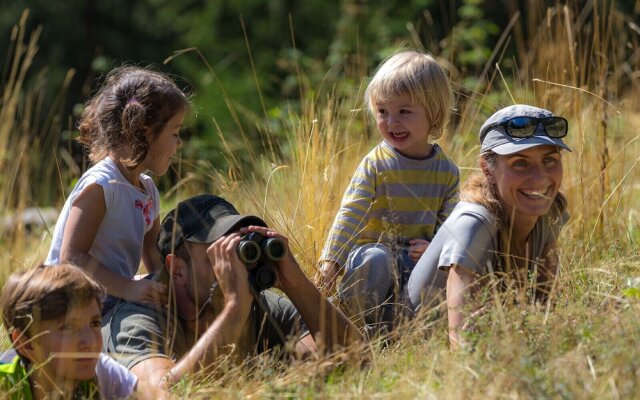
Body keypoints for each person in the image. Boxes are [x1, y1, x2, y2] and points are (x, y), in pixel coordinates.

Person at [102, 194, 366, 388]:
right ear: (177, 269)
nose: (233, 267)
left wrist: (295, 283)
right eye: (217, 257)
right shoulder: (138, 317)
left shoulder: (258, 304)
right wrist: (234, 309)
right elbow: (159, 393)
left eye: (236, 251)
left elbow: (357, 358)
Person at [407, 104, 571, 349]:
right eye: (520, 163)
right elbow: (461, 345)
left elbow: (545, 312)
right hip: (415, 350)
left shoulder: (550, 210)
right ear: (488, 170)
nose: (540, 178)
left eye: (549, 160)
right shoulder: (474, 222)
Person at [317, 50, 459, 329]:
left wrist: (434, 249)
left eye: (404, 112)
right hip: (370, 263)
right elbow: (352, 212)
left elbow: (449, 226)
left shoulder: (446, 171)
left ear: (433, 113)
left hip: (413, 267)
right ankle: (352, 322)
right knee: (377, 259)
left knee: (439, 271)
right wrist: (331, 263)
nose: (391, 122)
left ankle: (397, 328)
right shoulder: (376, 163)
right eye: (383, 111)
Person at [46, 65, 189, 314]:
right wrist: (128, 289)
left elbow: (152, 253)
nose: (180, 142)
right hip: (68, 305)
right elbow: (71, 257)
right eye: (175, 133)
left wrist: (169, 286)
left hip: (111, 298)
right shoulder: (102, 185)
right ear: (146, 132)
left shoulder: (147, 189)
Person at [0, 263, 167, 399]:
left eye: (94, 323)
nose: (90, 342)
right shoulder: (6, 387)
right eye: (69, 328)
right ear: (26, 343)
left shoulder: (99, 370)